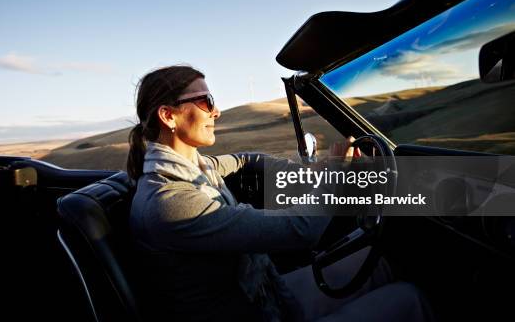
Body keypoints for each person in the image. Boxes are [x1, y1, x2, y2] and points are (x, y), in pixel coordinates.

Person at [127, 65, 433, 322]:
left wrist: (312, 172)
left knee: (377, 261)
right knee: (409, 299)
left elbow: (247, 159)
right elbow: (300, 230)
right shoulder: (170, 200)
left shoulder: (196, 167)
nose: (217, 111)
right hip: (250, 312)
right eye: (206, 101)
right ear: (168, 116)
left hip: (262, 292)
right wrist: (336, 173)